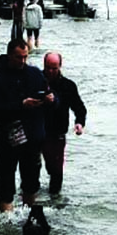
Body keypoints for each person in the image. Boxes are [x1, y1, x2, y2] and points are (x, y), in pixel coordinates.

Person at [0, 39, 54, 212]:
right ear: (9, 55)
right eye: (18, 57)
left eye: (25, 57)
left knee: (31, 181)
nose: (22, 61)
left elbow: (49, 95)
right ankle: (6, 221)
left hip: (32, 136)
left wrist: (50, 100)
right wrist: (21, 104)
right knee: (5, 180)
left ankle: (28, 215)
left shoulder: (35, 74)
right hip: (7, 137)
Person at [41, 52, 86, 196]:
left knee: (56, 170)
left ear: (60, 66)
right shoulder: (36, 80)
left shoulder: (68, 85)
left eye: (54, 68)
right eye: (48, 68)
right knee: (31, 169)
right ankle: (28, 202)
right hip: (36, 131)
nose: (50, 71)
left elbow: (79, 107)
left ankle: (55, 202)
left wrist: (79, 122)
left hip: (57, 133)